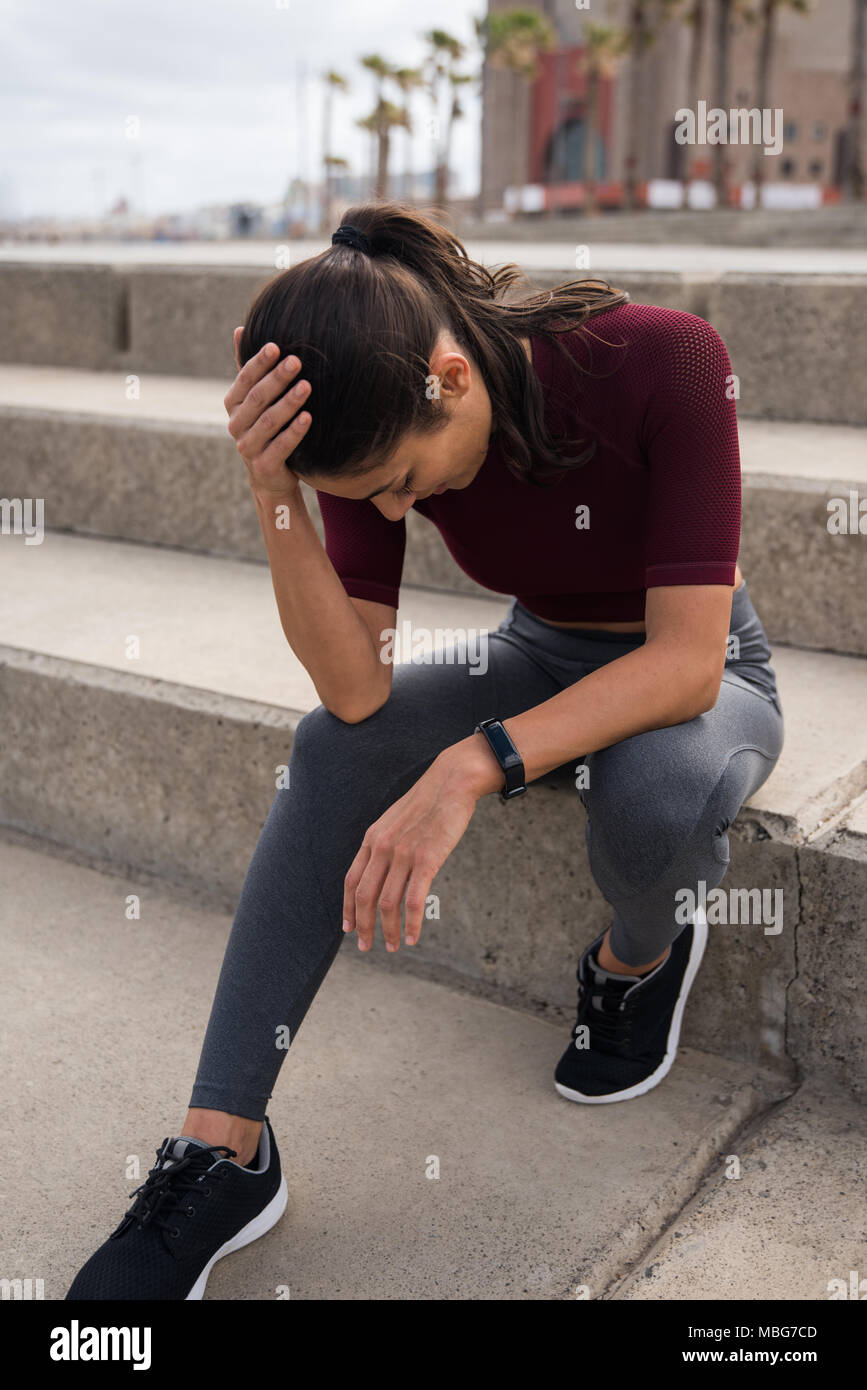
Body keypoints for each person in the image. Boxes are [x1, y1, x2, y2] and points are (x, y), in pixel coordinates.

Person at [65, 204, 784, 1300]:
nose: (401, 506)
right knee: (334, 743)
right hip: (540, 651)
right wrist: (278, 494)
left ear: (450, 375)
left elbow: (684, 664)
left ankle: (636, 963)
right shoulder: (377, 415)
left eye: (403, 478)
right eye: (375, 499)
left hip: (702, 666)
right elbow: (355, 684)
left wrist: (470, 764)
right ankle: (222, 1151)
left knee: (654, 791)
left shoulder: (667, 358)